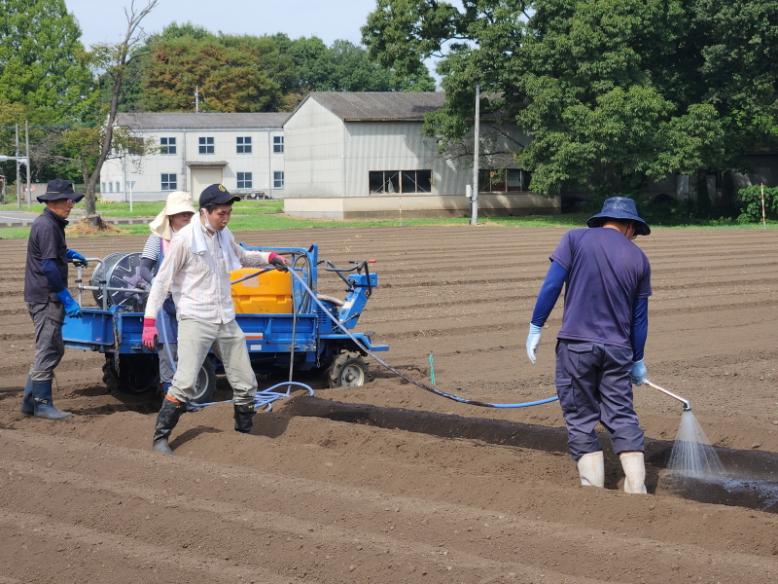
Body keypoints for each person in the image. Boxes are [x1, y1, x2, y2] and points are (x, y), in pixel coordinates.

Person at [142, 184, 288, 454]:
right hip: (196, 317)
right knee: (185, 382)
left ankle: (243, 434)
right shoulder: (185, 240)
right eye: (221, 213)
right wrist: (149, 322)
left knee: (246, 382)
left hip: (225, 317)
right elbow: (161, 282)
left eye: (229, 213)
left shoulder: (224, 234)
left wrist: (269, 257)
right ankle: (160, 438)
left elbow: (242, 256)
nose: (226, 218)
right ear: (205, 212)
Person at [525, 196, 652, 494]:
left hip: (577, 347)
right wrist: (637, 359)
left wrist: (536, 325)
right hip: (618, 350)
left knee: (581, 417)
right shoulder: (638, 258)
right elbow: (640, 319)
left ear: (602, 220)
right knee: (621, 415)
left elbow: (552, 285)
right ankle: (637, 487)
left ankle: (592, 494)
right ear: (630, 227)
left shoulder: (574, 239)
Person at [22, 178, 88, 419]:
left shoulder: (51, 223)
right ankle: (42, 403)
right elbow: (48, 267)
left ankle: (30, 401)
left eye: (72, 200)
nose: (71, 204)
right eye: (68, 200)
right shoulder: (48, 226)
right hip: (45, 296)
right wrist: (66, 298)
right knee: (49, 348)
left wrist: (69, 254)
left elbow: (52, 254)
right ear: (55, 201)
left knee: (52, 348)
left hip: (43, 294)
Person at [139, 191, 196, 394]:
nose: (187, 217)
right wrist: (158, 283)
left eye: (189, 213)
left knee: (189, 351)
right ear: (170, 215)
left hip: (190, 301)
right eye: (182, 213)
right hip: (165, 303)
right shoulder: (158, 240)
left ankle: (186, 395)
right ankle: (169, 397)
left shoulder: (196, 238)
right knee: (169, 350)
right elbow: (144, 269)